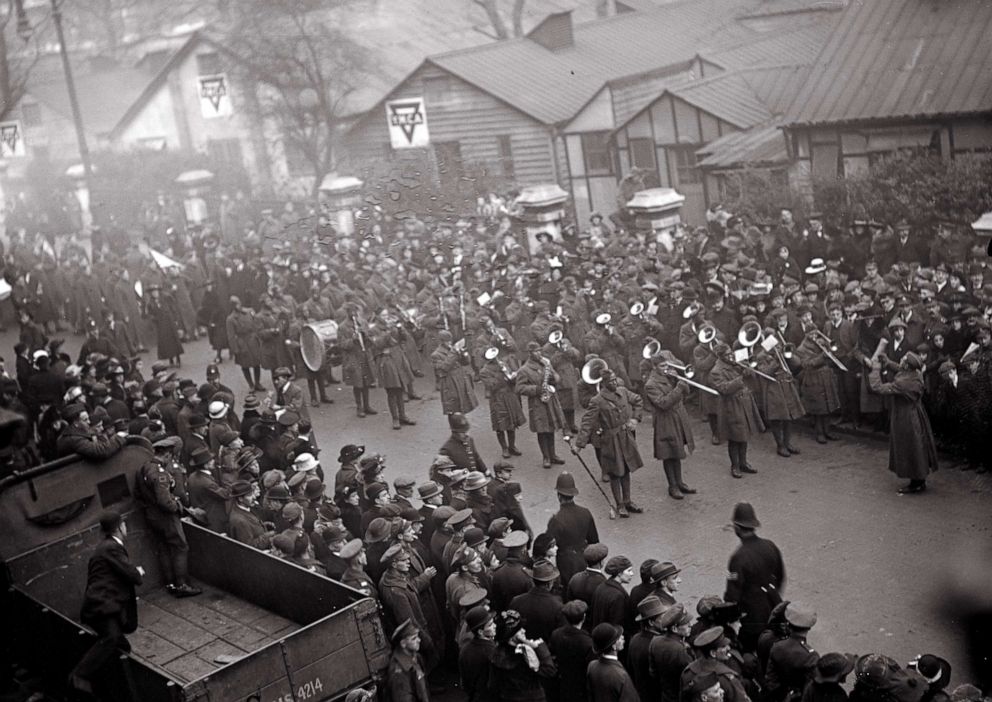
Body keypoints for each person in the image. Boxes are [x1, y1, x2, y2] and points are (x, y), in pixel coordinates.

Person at [69, 510, 145, 697]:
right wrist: (137, 572)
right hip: (101, 606)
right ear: (118, 528)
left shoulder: (105, 547)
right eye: (123, 524)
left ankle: (120, 685)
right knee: (111, 638)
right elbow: (131, 574)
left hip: (102, 605)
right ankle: (79, 676)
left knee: (121, 646)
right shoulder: (111, 548)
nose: (126, 527)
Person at [573, 365, 644, 517]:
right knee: (615, 473)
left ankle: (628, 501)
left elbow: (638, 400)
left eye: (615, 379)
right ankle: (620, 505)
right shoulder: (597, 400)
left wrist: (635, 418)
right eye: (611, 381)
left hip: (625, 437)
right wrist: (579, 445)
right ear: (604, 383)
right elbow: (587, 422)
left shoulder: (623, 391)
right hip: (610, 441)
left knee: (626, 470)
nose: (614, 383)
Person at [134, 438, 203, 597]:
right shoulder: (160, 474)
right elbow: (165, 502)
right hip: (166, 517)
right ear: (167, 455)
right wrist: (177, 507)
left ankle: (170, 583)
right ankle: (182, 585)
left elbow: (138, 494)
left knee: (164, 548)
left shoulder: (144, 467)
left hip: (151, 515)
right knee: (180, 547)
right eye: (171, 457)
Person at [867, 352, 939, 494]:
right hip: (916, 413)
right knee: (918, 447)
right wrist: (887, 362)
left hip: (906, 418)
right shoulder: (915, 373)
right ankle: (919, 479)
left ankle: (916, 483)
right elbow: (900, 368)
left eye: (903, 360)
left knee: (910, 448)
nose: (901, 360)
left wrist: (875, 369)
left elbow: (877, 387)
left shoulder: (902, 384)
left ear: (907, 365)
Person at [724, 502, 785, 652]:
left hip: (752, 617)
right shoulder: (770, 545)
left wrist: (729, 620)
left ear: (737, 528)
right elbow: (780, 575)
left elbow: (733, 594)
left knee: (749, 651)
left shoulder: (738, 557)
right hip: (774, 605)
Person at [643, 350, 696, 499]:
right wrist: (678, 387)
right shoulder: (650, 384)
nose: (665, 368)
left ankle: (680, 482)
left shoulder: (669, 376)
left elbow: (686, 392)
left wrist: (680, 380)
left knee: (677, 451)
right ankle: (672, 486)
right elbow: (663, 403)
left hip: (677, 417)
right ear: (654, 367)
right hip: (665, 421)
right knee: (668, 453)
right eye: (662, 366)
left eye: (666, 365)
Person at [709, 342, 763, 479]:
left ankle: (743, 463)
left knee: (744, 435)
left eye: (731, 354)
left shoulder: (735, 363)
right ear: (721, 357)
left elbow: (751, 380)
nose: (731, 357)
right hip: (731, 406)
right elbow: (724, 389)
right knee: (734, 438)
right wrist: (740, 378)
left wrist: (748, 371)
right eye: (727, 355)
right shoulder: (716, 371)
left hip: (744, 403)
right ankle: (735, 466)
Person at [516, 341, 567, 469]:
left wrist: (553, 378)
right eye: (536, 351)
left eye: (540, 350)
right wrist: (537, 389)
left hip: (550, 400)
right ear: (530, 353)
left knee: (551, 428)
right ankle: (546, 457)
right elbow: (519, 388)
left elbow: (556, 376)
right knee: (542, 430)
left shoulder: (546, 363)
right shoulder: (524, 370)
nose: (539, 353)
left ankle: (553, 455)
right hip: (537, 403)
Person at [488, 609, 557, 702]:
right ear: (511, 637)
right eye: (519, 630)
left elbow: (493, 686)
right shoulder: (526, 653)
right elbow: (550, 671)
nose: (524, 631)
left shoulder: (497, 654)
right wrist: (538, 647)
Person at [547, 473, 600, 587]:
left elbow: (548, 546)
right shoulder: (585, 512)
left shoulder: (556, 520)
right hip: (585, 559)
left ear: (559, 496)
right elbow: (594, 541)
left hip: (566, 563)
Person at [479, 346, 527, 458]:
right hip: (497, 398)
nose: (495, 358)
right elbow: (492, 385)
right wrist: (502, 373)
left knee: (511, 423)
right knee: (500, 425)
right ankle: (504, 448)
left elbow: (511, 380)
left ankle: (512, 446)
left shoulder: (503, 364)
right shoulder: (484, 371)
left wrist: (513, 377)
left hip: (509, 395)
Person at [766, 607, 819, 702]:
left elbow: (771, 679)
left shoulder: (777, 646)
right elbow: (811, 690)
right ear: (809, 628)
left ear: (789, 625)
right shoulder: (811, 656)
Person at [649, 603, 696, 702]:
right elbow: (692, 680)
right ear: (674, 629)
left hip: (665, 696)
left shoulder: (655, 642)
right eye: (686, 623)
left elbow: (653, 673)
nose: (690, 625)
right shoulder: (682, 650)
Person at [550, 600, 595, 702]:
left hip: (561, 683)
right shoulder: (588, 642)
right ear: (584, 617)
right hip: (580, 687)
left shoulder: (556, 634)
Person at [587, 623, 638, 702]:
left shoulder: (591, 666)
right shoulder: (621, 676)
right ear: (614, 646)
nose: (623, 638)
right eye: (618, 638)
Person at [460, 606, 498, 702]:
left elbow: (465, 683)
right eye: (490, 625)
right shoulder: (492, 651)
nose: (495, 626)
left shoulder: (465, 650)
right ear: (480, 632)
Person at [388, 619, 431, 702]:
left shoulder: (416, 657)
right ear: (403, 643)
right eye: (414, 638)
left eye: (418, 636)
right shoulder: (398, 673)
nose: (419, 640)